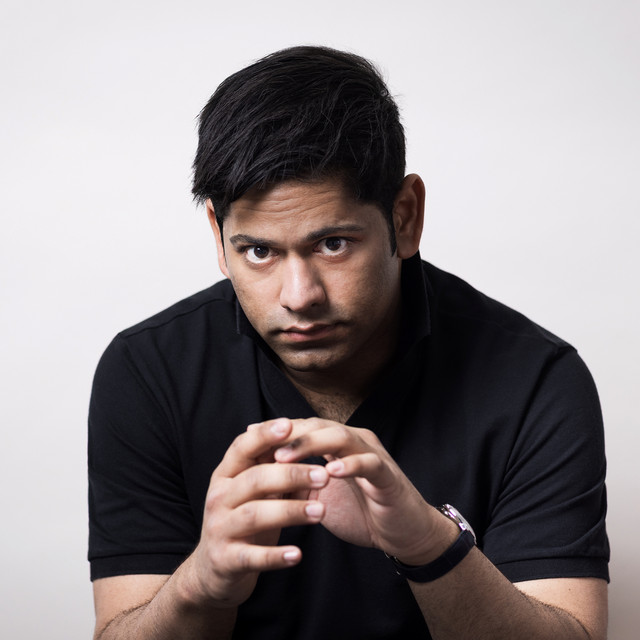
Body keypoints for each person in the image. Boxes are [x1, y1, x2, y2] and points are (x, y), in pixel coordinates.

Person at [88, 46, 609, 639]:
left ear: (405, 217)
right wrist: (202, 584)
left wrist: (429, 545)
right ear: (218, 234)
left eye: (333, 244)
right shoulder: (148, 372)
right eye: (258, 251)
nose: (299, 296)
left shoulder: (536, 379)